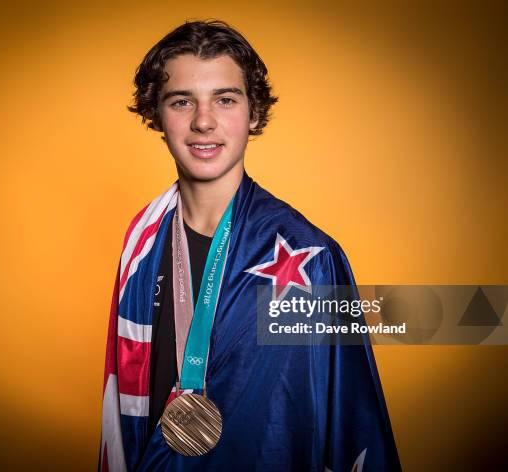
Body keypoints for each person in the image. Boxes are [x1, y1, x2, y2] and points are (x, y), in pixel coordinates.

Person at [99, 20, 400, 471]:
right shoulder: (143, 237)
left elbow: (347, 416)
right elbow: (123, 390)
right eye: (182, 101)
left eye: (225, 99)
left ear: (254, 113)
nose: (203, 121)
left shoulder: (310, 258)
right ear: (157, 116)